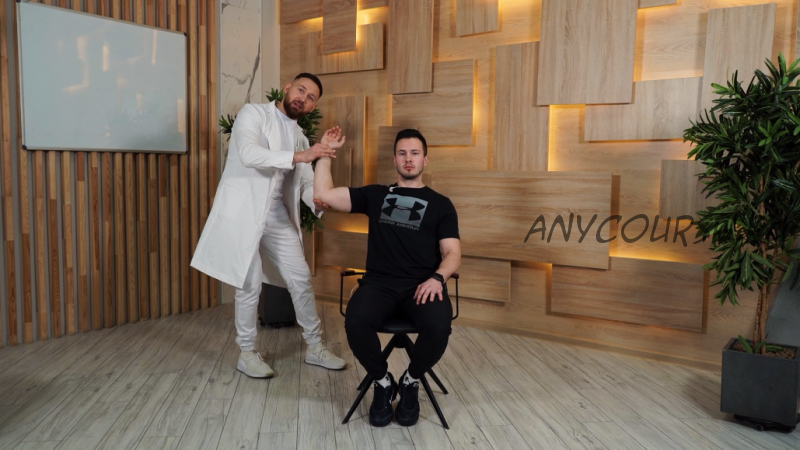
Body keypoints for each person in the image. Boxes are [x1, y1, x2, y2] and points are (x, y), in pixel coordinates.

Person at [191, 73, 346, 379]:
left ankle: (315, 347)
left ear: (312, 106)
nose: (303, 98)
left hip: (275, 215)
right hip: (243, 213)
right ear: (287, 88)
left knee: (300, 278)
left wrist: (319, 200)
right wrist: (303, 155)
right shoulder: (253, 113)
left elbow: (305, 184)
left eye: (311, 97)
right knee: (249, 285)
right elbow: (249, 154)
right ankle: (247, 354)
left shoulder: (300, 137)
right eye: (300, 90)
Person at [313, 128, 461, 427]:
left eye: (415, 153)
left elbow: (453, 253)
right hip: (379, 283)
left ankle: (411, 380)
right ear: (394, 160)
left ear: (425, 160)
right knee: (356, 321)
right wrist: (325, 151)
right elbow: (323, 195)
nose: (409, 159)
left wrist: (438, 278)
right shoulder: (376, 195)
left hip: (422, 284)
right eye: (402, 153)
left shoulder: (441, 204)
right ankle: (382, 381)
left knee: (438, 325)